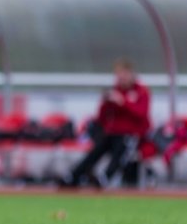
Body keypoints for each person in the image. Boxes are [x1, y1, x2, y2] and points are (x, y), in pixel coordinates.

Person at [61, 58, 151, 188]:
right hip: (112, 133)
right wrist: (106, 102)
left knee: (121, 149)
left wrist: (123, 102)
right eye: (119, 75)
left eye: (124, 75)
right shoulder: (114, 91)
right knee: (95, 150)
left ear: (131, 74)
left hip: (131, 134)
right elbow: (102, 118)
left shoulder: (141, 92)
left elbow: (141, 114)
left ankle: (105, 178)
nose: (121, 79)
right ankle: (73, 176)